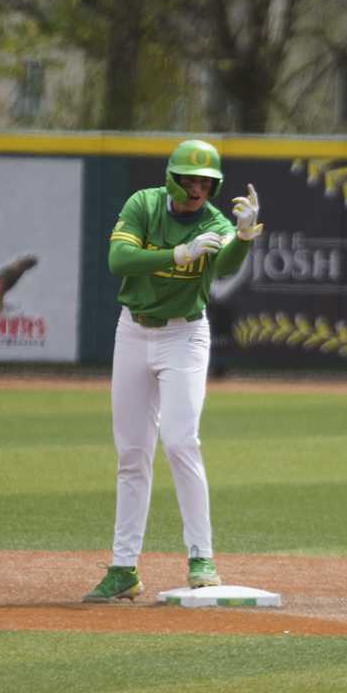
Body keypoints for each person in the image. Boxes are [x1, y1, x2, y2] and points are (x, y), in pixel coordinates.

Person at [83, 139, 262, 602]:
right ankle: (124, 568)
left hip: (185, 336)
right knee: (131, 452)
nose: (197, 187)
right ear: (172, 177)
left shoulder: (215, 221)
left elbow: (222, 267)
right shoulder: (144, 204)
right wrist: (177, 255)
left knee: (181, 440)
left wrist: (241, 237)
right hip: (134, 331)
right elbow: (118, 260)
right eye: (189, 178)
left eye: (206, 181)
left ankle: (202, 557)